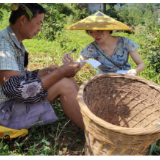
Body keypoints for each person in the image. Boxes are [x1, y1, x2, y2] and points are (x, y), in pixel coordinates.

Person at [0, 3, 84, 131]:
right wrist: (60, 72)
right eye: (38, 23)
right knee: (64, 83)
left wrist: (41, 72)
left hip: (11, 104)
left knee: (65, 76)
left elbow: (18, 77)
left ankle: (89, 114)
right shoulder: (3, 44)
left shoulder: (14, 43)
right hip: (5, 112)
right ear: (23, 20)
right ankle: (95, 132)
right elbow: (15, 89)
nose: (39, 28)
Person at [62, 13, 145, 76]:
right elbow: (79, 64)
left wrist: (135, 71)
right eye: (91, 32)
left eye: (99, 30)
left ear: (108, 29)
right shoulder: (91, 48)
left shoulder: (125, 42)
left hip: (124, 78)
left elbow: (141, 64)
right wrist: (70, 63)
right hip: (103, 81)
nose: (95, 35)